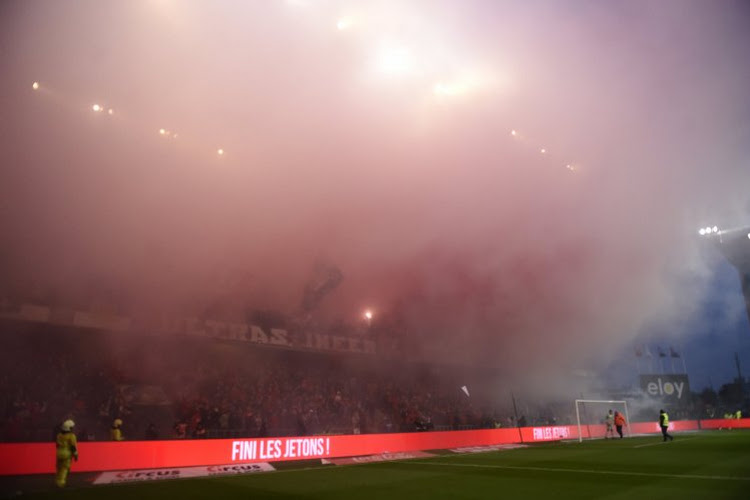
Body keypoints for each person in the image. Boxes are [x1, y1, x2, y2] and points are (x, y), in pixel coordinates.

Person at [55, 419, 78, 488]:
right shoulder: (71, 436)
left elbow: (57, 445)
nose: (73, 429)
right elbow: (73, 446)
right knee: (65, 469)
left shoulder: (59, 435)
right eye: (72, 427)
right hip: (67, 454)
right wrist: (76, 455)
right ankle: (61, 483)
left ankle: (57, 481)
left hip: (59, 453)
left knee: (59, 468)